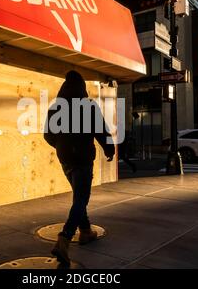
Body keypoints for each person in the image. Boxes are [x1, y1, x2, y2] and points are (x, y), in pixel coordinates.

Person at [44, 71, 115, 266]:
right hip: (83, 158)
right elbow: (100, 130)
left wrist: (60, 146)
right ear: (82, 87)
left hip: (65, 158)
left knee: (78, 196)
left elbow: (47, 135)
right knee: (81, 198)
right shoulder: (88, 106)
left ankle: (85, 232)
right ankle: (64, 239)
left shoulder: (55, 107)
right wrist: (109, 148)